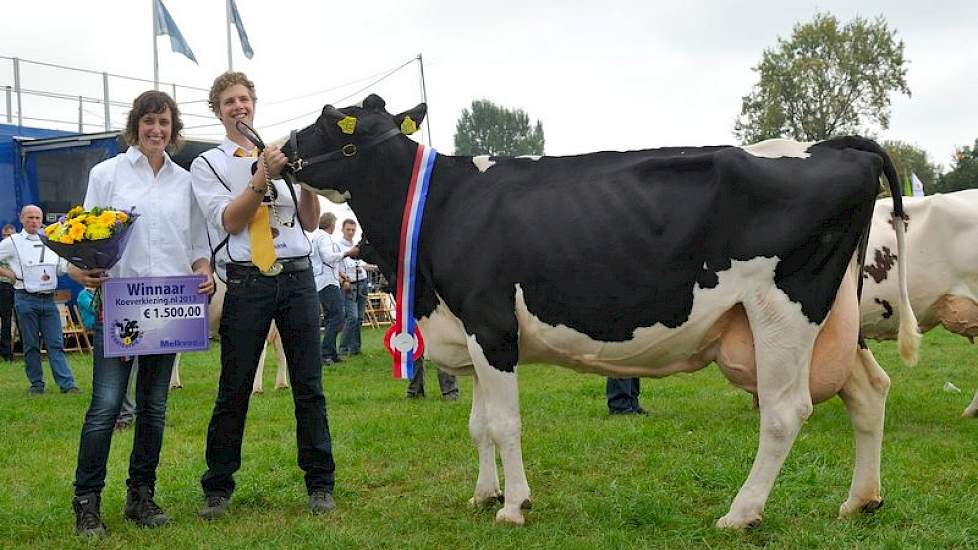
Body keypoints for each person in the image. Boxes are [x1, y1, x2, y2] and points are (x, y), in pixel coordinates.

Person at [191, 71, 336, 519]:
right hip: (248, 280)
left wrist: (306, 177)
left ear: (254, 104)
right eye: (229, 101)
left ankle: (320, 483)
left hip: (296, 278)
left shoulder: (278, 152)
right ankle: (218, 485)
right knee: (234, 386)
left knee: (308, 385)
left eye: (245, 99)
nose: (239, 106)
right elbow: (231, 221)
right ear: (218, 110)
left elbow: (310, 222)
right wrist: (261, 175)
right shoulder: (208, 164)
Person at [69, 90, 214, 537]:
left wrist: (204, 267)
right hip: (120, 306)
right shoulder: (107, 173)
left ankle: (141, 496)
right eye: (149, 121)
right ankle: (87, 501)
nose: (157, 130)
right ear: (136, 125)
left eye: (165, 123)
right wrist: (79, 269)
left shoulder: (184, 180)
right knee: (106, 406)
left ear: (174, 130)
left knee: (154, 407)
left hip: (169, 309)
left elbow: (194, 243)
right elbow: (84, 233)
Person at [0, 205, 78, 395]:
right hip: (25, 298)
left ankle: (67, 385)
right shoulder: (12, 242)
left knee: (55, 343)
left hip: (48, 299)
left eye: (37, 217)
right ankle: (36, 385)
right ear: (21, 219)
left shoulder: (50, 239)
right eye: (30, 217)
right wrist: (7, 273)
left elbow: (61, 267)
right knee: (31, 344)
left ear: (42, 219)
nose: (34, 221)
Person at [310, 212, 353, 366]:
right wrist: (347, 253)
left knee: (331, 317)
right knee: (338, 316)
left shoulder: (316, 237)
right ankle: (325, 352)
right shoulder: (324, 238)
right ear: (331, 224)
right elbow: (328, 257)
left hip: (322, 280)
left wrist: (340, 273)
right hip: (327, 282)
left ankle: (331, 353)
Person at [337, 218, 377, 356]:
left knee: (359, 318)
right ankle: (343, 348)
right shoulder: (337, 245)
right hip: (349, 283)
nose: (351, 232)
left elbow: (361, 264)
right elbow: (336, 265)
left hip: (362, 281)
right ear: (342, 229)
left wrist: (375, 267)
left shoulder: (357, 245)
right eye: (348, 229)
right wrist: (342, 280)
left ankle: (355, 348)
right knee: (352, 317)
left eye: (353, 230)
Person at [0, 223, 15, 361]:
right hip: (3, 285)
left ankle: (9, 353)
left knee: (18, 319)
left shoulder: (18, 249)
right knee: (5, 320)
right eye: (5, 235)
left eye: (10, 235)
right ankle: (6, 352)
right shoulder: (1, 249)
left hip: (14, 286)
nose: (7, 238)